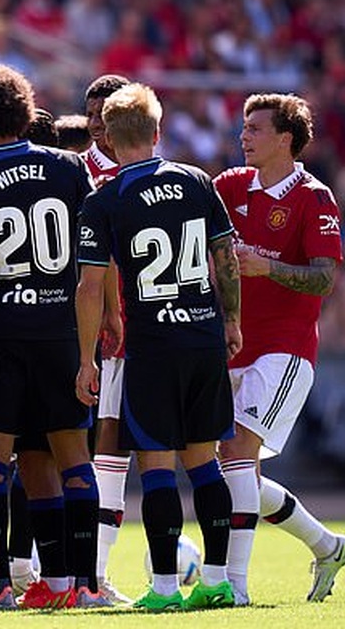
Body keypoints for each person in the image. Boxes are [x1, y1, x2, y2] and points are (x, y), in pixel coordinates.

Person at [75, 82, 240, 611]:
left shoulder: (106, 199)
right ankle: (217, 581)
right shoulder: (196, 180)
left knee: (157, 467)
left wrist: (85, 357)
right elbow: (225, 256)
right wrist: (231, 318)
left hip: (154, 345)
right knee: (206, 463)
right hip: (203, 336)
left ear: (110, 135)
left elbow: (90, 285)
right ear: (157, 132)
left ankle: (165, 587)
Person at [0, 64, 101, 609]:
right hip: (60, 331)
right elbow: (91, 255)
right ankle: (75, 584)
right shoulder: (69, 167)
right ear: (19, 108)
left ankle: (0, 588)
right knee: (65, 456)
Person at [213, 93, 345, 606]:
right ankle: (327, 544)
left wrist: (265, 266)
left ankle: (235, 588)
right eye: (244, 127)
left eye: (254, 129)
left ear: (285, 139)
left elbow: (323, 279)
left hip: (284, 349)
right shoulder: (229, 187)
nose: (243, 136)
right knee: (235, 470)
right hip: (231, 346)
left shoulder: (315, 198)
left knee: (234, 456)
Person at [80, 73, 134, 605]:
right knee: (94, 447)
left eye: (106, 116)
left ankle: (93, 571)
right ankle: (82, 573)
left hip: (141, 332)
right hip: (86, 331)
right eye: (92, 115)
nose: (96, 125)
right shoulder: (79, 169)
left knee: (115, 451)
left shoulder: (146, 172)